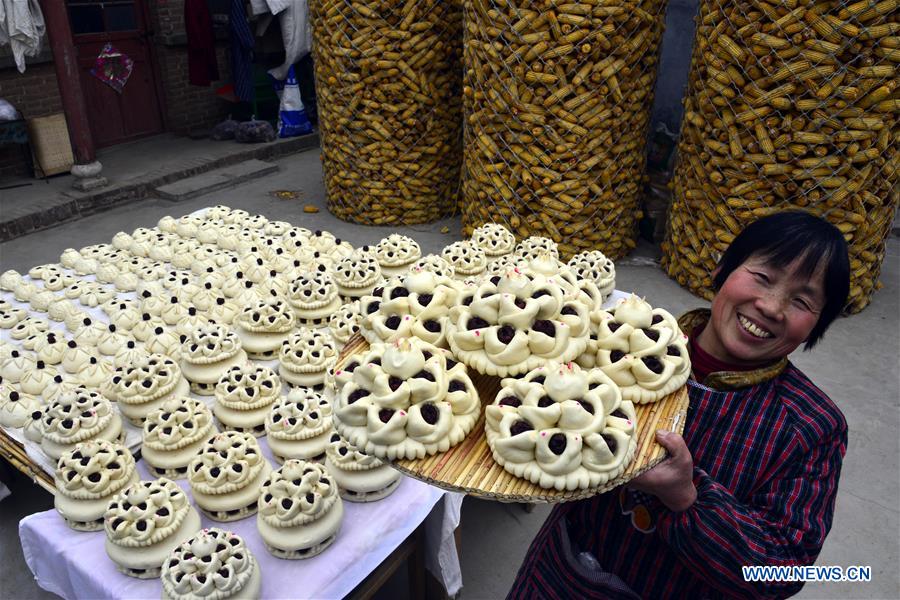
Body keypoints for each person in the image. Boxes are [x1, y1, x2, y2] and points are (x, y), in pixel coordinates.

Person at [507, 211, 851, 599]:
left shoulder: (811, 427)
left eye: (802, 300)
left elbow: (779, 572)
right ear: (723, 267)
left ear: (818, 325)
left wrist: (686, 497)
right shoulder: (614, 344)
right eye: (763, 277)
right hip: (561, 576)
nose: (771, 306)